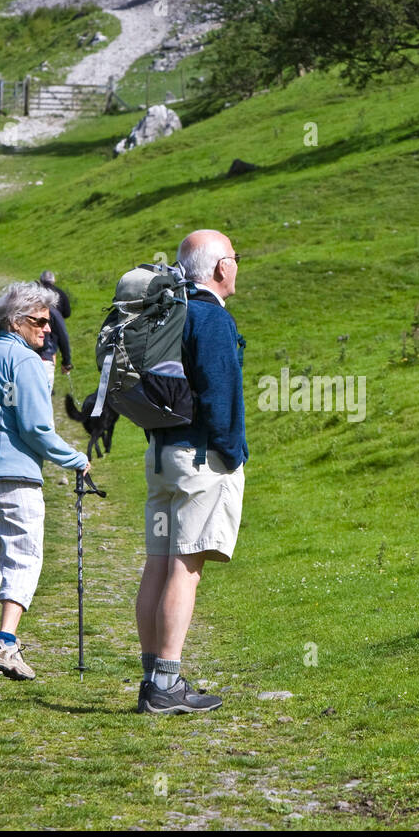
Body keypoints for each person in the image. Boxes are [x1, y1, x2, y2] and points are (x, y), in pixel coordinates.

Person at [0, 281, 93, 680]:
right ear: (16, 322)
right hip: (12, 474)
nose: (48, 329)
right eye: (40, 321)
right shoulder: (24, 361)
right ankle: (6, 644)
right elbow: (36, 429)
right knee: (24, 554)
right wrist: (76, 458)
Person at [134, 229, 247, 714]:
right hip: (199, 460)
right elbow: (219, 395)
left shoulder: (168, 313)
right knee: (186, 567)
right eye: (236, 258)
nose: (238, 267)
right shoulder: (211, 318)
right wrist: (231, 454)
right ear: (221, 267)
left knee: (158, 563)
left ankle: (151, 676)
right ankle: (166, 684)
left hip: (161, 456)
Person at [34, 271, 72, 395]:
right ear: (53, 280)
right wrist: (67, 361)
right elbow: (67, 313)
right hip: (50, 343)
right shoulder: (60, 294)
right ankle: (49, 385)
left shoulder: (29, 305)